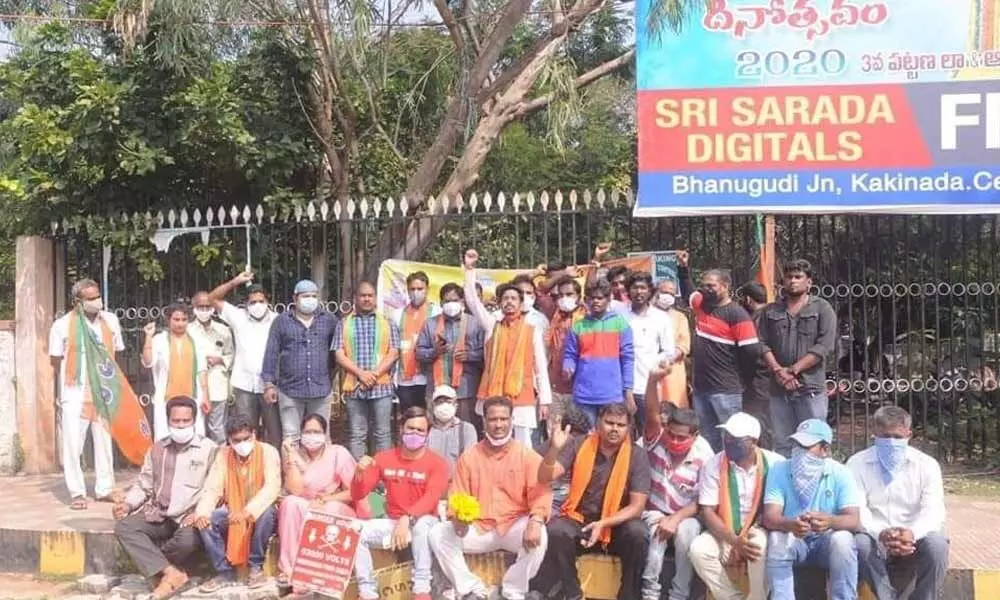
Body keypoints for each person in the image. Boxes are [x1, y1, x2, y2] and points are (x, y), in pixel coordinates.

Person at [430, 396, 552, 600]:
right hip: (478, 529)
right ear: (484, 421)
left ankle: (513, 590)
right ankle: (471, 589)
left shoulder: (526, 455)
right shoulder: (469, 457)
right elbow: (457, 496)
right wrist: (458, 519)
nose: (499, 425)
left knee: (541, 535)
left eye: (504, 419)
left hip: (513, 526)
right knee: (437, 534)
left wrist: (536, 520)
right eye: (493, 419)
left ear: (512, 420)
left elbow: (542, 492)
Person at [534, 402, 651, 600]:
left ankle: (628, 595)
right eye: (609, 422)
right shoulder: (578, 444)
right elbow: (545, 477)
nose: (614, 428)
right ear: (598, 423)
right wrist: (554, 449)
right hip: (581, 521)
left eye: (620, 425)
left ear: (628, 428)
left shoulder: (637, 455)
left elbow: (637, 506)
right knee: (556, 531)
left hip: (615, 527)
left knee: (638, 533)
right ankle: (572, 593)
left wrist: (604, 523)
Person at [113, 396, 217, 600]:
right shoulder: (157, 448)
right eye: (175, 421)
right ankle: (171, 573)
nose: (180, 425)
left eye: (185, 421)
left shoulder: (209, 449)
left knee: (188, 540)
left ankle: (158, 570)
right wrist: (127, 504)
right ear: (168, 421)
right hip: (158, 514)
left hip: (188, 518)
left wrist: (200, 512)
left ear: (194, 421)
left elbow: (214, 489)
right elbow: (144, 484)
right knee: (124, 527)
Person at [847, 406, 948, 600]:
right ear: (874, 433)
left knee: (938, 546)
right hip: (875, 534)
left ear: (909, 435)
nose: (891, 443)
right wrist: (881, 533)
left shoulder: (926, 465)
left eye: (897, 437)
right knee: (859, 544)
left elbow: (933, 511)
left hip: (916, 536)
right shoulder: (856, 463)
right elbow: (857, 509)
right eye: (885, 436)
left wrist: (911, 534)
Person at [350, 407, 449, 600]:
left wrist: (408, 517)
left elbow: (431, 497)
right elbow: (358, 494)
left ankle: (421, 590)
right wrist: (358, 475)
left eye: (420, 430)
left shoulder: (437, 463)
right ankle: (367, 592)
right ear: (401, 429)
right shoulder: (384, 458)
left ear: (428, 433)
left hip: (425, 522)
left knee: (421, 526)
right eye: (410, 428)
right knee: (353, 530)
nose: (414, 433)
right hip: (393, 523)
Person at [689, 412, 784, 600]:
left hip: (759, 529)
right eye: (727, 437)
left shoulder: (775, 463)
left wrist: (744, 540)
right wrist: (733, 540)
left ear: (754, 442)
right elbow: (707, 512)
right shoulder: (714, 464)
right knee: (698, 549)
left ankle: (757, 597)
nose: (729, 441)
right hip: (725, 531)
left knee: (757, 545)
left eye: (736, 439)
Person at [762, 419, 862, 600]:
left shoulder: (840, 472)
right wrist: (790, 524)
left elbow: (854, 520)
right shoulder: (780, 469)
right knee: (777, 539)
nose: (799, 451)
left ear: (825, 449)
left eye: (806, 446)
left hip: (825, 541)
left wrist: (829, 521)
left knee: (843, 540)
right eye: (796, 444)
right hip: (794, 540)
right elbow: (770, 517)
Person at [49, 278, 126, 510]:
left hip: (104, 390)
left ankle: (104, 488)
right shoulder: (62, 325)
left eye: (97, 296)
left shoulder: (110, 321)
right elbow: (55, 360)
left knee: (104, 442)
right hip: (75, 392)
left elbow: (116, 354)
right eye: (90, 299)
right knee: (73, 444)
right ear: (78, 302)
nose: (97, 302)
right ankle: (77, 492)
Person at [463, 249, 552, 445]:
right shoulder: (492, 325)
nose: (509, 302)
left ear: (522, 303)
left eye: (514, 298)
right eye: (505, 298)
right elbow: (472, 301)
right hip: (494, 395)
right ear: (500, 303)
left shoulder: (531, 329)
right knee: (493, 441)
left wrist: (545, 399)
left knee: (523, 445)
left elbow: (540, 368)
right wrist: (469, 269)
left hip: (522, 395)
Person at [640, 364, 713, 600]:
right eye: (671, 434)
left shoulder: (705, 455)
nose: (674, 440)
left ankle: (678, 595)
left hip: (687, 515)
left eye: (681, 437)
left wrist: (676, 518)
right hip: (654, 510)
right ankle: (650, 594)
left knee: (686, 533)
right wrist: (653, 381)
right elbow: (651, 412)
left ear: (695, 436)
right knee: (656, 536)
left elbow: (704, 500)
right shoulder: (658, 439)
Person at [677, 250, 760, 451]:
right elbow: (689, 292)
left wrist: (741, 377)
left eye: (711, 285)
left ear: (725, 286)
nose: (706, 289)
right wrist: (683, 269)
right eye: (704, 285)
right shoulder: (702, 305)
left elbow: (750, 352)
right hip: (701, 389)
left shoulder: (737, 314)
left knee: (731, 439)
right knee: (706, 439)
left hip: (726, 389)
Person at [757, 260, 837, 457]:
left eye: (798, 277)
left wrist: (792, 371)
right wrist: (778, 371)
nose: (793, 281)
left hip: (810, 388)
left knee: (814, 442)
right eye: (789, 277)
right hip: (779, 388)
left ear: (808, 282)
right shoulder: (771, 311)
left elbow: (824, 346)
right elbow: (761, 343)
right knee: (783, 442)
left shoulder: (822, 308)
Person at [194, 414, 282, 592]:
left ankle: (255, 567)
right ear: (229, 440)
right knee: (207, 521)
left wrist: (247, 511)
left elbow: (272, 487)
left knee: (267, 514)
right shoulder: (223, 455)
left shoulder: (268, 451)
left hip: (260, 510)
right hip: (232, 509)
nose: (242, 443)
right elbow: (212, 489)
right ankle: (225, 573)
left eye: (246, 438)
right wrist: (202, 513)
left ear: (254, 435)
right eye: (237, 440)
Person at [278, 413, 363, 590]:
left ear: (325, 434)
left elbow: (355, 491)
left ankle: (320, 573)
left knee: (329, 508)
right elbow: (295, 490)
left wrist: (326, 499)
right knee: (290, 503)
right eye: (308, 431)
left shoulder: (338, 453)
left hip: (337, 505)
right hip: (307, 505)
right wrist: (291, 457)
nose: (312, 436)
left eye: (316, 431)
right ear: (301, 434)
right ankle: (291, 569)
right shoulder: (296, 455)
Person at [262, 279, 339, 444]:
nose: (310, 299)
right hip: (290, 390)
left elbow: (336, 352)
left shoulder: (329, 320)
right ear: (295, 298)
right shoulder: (281, 321)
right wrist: (269, 384)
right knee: (291, 438)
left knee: (321, 436)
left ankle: (320, 470)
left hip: (320, 390)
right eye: (305, 296)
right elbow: (271, 353)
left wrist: (329, 376)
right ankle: (293, 470)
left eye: (313, 296)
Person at [209, 270, 281, 447]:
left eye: (261, 301)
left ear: (268, 302)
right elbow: (212, 298)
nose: (257, 305)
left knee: (275, 433)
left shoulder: (278, 320)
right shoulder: (238, 317)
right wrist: (235, 282)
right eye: (253, 302)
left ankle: (274, 469)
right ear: (247, 304)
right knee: (246, 431)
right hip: (244, 386)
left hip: (270, 385)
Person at [333, 280, 401, 459]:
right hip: (354, 388)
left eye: (370, 295)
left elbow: (393, 353)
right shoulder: (344, 323)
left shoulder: (388, 323)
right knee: (357, 434)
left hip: (381, 387)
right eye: (362, 295)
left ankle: (383, 476)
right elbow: (339, 354)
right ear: (355, 298)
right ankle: (359, 476)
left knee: (383, 434)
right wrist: (361, 374)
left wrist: (374, 374)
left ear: (376, 298)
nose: (366, 299)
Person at [562, 278, 635, 427]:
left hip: (612, 396)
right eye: (592, 298)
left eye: (600, 298)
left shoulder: (620, 324)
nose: (596, 301)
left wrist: (628, 391)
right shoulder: (578, 326)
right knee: (586, 441)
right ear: (586, 300)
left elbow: (627, 359)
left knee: (610, 441)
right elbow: (570, 354)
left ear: (608, 299)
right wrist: (568, 366)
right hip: (583, 396)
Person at [416, 282, 486, 431]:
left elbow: (487, 354)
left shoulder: (475, 323)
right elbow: (419, 353)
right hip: (437, 388)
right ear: (441, 303)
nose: (451, 304)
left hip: (466, 389)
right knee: (437, 430)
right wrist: (434, 352)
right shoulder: (430, 324)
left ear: (462, 302)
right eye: (447, 301)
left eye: (455, 300)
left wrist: (470, 355)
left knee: (467, 430)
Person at [142, 304, 207, 442]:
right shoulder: (159, 340)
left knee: (195, 437)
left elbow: (202, 369)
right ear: (168, 320)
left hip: (192, 395)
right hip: (166, 396)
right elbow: (148, 362)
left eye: (184, 319)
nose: (180, 323)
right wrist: (148, 336)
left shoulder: (196, 339)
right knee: (165, 438)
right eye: (176, 319)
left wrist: (205, 395)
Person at [624, 272, 675, 435]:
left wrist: (654, 363)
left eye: (643, 288)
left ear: (650, 291)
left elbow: (669, 351)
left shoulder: (661, 318)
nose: (639, 292)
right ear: (628, 291)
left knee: (649, 432)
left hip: (647, 386)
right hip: (622, 387)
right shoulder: (620, 316)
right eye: (635, 288)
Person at [537, 274, 586, 425]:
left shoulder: (588, 316)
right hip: (555, 386)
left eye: (570, 294)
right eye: (561, 295)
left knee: (579, 436)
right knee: (555, 434)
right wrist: (563, 275)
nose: (565, 298)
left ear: (579, 296)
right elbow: (540, 291)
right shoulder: (554, 312)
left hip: (580, 387)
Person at [188, 291, 235, 443]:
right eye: (200, 306)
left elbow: (231, 354)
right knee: (196, 426)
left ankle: (220, 458)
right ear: (194, 307)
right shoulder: (188, 330)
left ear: (213, 308)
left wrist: (220, 360)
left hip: (217, 385)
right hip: (194, 385)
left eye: (207, 306)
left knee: (217, 427)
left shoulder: (223, 330)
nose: (204, 310)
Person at [393, 271, 439, 412]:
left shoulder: (437, 311)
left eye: (420, 289)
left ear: (427, 289)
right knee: (408, 418)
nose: (416, 293)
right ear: (407, 290)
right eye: (412, 289)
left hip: (430, 377)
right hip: (405, 377)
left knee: (430, 418)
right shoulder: (398, 314)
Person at [535, 406, 592, 513]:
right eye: (575, 437)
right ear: (566, 431)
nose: (577, 442)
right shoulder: (547, 448)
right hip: (550, 500)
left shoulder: (584, 446)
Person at [738, 281, 773, 450]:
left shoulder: (754, 320)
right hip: (770, 377)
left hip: (757, 379)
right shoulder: (774, 314)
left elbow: (753, 350)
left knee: (758, 421)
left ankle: (762, 456)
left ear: (748, 299)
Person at [653, 278, 691, 410]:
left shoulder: (680, 317)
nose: (668, 296)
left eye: (671, 294)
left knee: (675, 411)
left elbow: (684, 345)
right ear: (656, 292)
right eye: (664, 292)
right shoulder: (646, 314)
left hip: (672, 371)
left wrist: (667, 359)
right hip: (649, 370)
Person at [427, 385, 478, 475]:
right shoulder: (426, 430)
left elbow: (470, 463)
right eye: (440, 402)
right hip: (431, 484)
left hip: (457, 485)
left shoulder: (467, 430)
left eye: (448, 401)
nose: (444, 405)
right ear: (433, 405)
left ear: (456, 405)